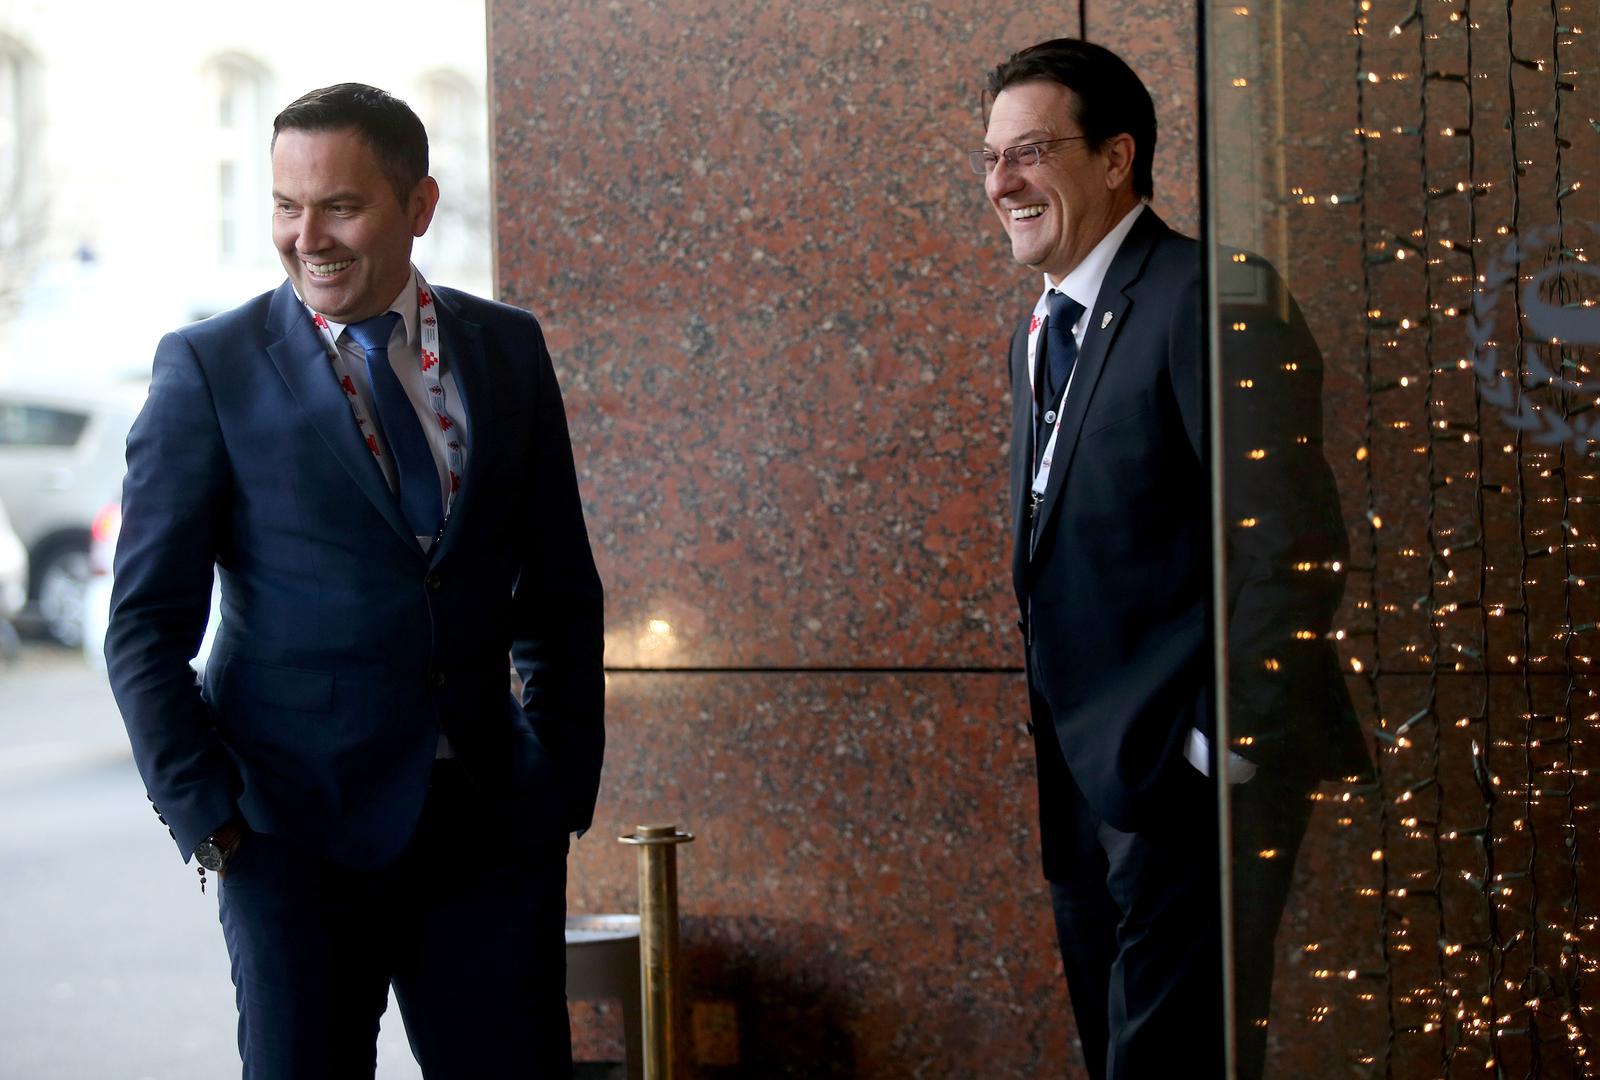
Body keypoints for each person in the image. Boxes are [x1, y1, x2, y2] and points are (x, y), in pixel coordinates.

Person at [106, 83, 603, 1078]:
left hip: (489, 826)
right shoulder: (209, 367)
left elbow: (557, 584)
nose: (307, 239)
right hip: (291, 837)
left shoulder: (506, 348)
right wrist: (209, 818)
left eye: (340, 206)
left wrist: (556, 785)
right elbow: (145, 626)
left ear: (418, 206)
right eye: (286, 207)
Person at [975, 39, 1368, 1078]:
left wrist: (1214, 749)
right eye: (991, 158)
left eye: (1030, 152)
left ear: (1116, 158)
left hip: (1186, 781)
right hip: (1085, 783)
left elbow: (1292, 546)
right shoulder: (1038, 331)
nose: (1002, 183)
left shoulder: (1215, 294)